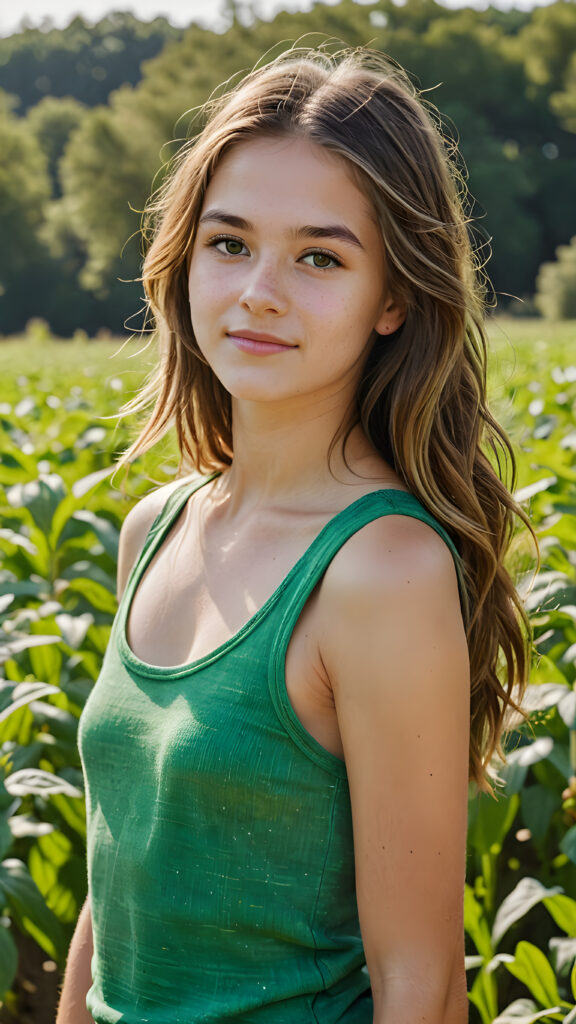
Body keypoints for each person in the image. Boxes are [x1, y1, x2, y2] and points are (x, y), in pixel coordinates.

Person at [56, 46, 530, 1024]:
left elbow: (423, 983)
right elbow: (113, 892)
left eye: (320, 256)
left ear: (393, 298)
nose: (259, 290)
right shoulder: (155, 529)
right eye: (230, 243)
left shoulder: (379, 572)